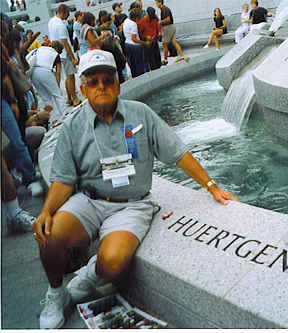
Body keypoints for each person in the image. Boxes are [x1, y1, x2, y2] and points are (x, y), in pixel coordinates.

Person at [33, 50, 238, 329]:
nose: (101, 86)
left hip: (131, 205)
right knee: (49, 234)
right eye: (93, 82)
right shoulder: (72, 126)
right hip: (89, 200)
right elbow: (64, 180)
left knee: (114, 262)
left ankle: (92, 273)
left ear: (118, 84)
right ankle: (56, 294)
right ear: (83, 89)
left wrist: (211, 186)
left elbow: (177, 153)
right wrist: (46, 211)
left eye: (107, 79)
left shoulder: (141, 113)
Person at [48, 4, 81, 106]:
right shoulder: (60, 25)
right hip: (65, 54)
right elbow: (65, 42)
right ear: (63, 12)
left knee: (67, 76)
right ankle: (75, 99)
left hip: (57, 53)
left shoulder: (51, 21)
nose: (68, 16)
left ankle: (69, 98)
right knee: (71, 76)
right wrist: (73, 57)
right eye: (67, 14)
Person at [26, 41, 67, 123]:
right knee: (57, 95)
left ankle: (53, 120)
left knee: (46, 98)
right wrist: (58, 87)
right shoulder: (55, 54)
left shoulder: (41, 49)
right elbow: (58, 73)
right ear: (58, 49)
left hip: (33, 73)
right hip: (44, 71)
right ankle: (65, 115)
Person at [155, 0, 186, 65]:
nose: (156, 4)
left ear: (160, 2)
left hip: (168, 28)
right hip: (171, 27)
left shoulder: (164, 9)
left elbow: (168, 19)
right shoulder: (164, 9)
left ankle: (165, 60)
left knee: (164, 44)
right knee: (174, 42)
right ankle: (182, 56)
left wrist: (160, 22)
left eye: (156, 3)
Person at [123, 8, 150, 77]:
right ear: (136, 17)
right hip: (135, 47)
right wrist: (144, 43)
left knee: (133, 65)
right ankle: (142, 77)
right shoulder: (133, 24)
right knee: (140, 65)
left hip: (127, 44)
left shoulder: (126, 20)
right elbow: (134, 39)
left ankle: (135, 76)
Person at [138, 6, 161, 71]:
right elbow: (140, 35)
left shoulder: (154, 19)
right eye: (150, 17)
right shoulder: (141, 22)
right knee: (152, 62)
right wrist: (146, 37)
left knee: (158, 60)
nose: (151, 18)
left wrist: (159, 33)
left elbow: (158, 27)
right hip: (148, 44)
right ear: (147, 14)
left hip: (155, 41)